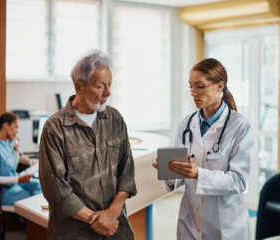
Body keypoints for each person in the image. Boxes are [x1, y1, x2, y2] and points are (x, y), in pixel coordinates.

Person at [39, 50, 137, 239]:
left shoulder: (115, 118)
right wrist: (98, 221)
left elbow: (127, 173)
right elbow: (57, 190)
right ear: (79, 87)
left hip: (116, 225)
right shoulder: (54, 128)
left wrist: (111, 215)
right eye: (100, 86)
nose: (108, 93)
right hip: (74, 231)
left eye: (110, 85)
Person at [153, 58, 253, 240]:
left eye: (200, 86)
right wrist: (169, 170)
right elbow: (180, 178)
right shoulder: (186, 124)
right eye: (190, 86)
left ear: (219, 86)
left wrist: (198, 173)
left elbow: (239, 181)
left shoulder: (239, 125)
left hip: (226, 226)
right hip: (190, 221)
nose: (193, 93)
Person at [0, 112, 41, 206]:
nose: (16, 131)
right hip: (1, 193)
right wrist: (17, 179)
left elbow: (12, 168)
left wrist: (16, 149)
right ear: (6, 125)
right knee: (33, 199)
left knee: (39, 187)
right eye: (15, 127)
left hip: (12, 185)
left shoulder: (7, 143)